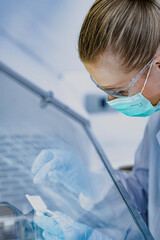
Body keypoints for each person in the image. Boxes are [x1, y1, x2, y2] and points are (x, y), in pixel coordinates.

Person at [32, 0, 160, 239]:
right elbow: (145, 195)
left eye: (121, 91)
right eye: (103, 90)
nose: (112, 101)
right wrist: (89, 181)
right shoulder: (156, 121)